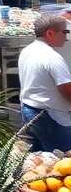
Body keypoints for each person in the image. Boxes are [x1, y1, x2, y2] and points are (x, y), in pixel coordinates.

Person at [19, 12, 71, 151]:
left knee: (38, 163)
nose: (66, 38)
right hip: (50, 116)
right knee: (63, 162)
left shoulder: (27, 50)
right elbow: (66, 90)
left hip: (30, 111)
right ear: (50, 33)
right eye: (65, 32)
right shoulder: (52, 57)